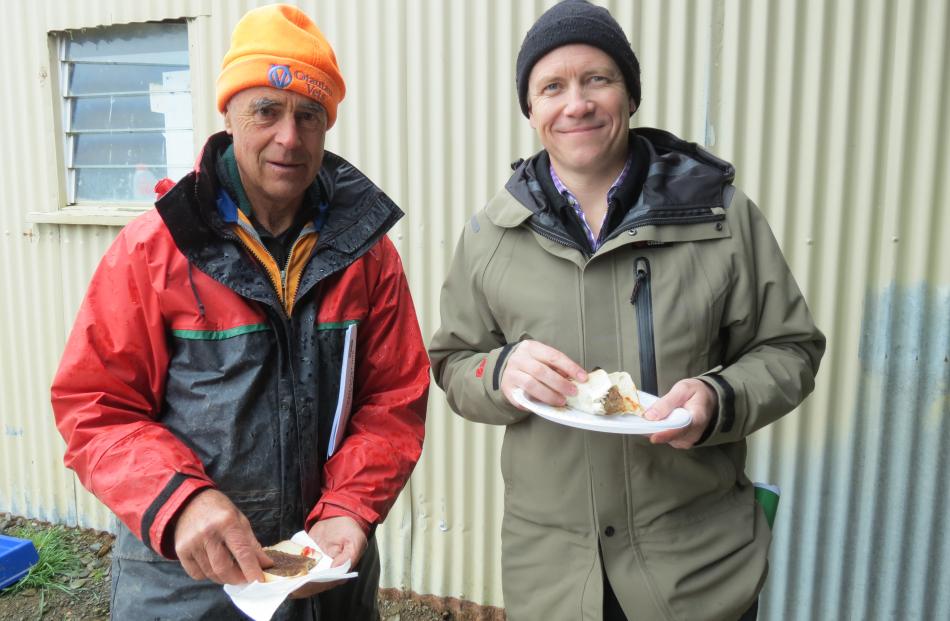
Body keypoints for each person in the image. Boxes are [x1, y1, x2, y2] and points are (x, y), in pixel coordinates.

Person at [429, 1, 825, 619]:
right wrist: (499, 372)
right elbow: (455, 361)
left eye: (598, 79)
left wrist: (719, 398)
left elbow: (791, 348)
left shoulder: (720, 217)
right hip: (557, 580)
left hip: (696, 572)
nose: (576, 103)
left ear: (629, 95)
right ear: (530, 110)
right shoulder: (490, 235)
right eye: (552, 86)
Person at [51, 5, 429, 619]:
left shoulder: (368, 255)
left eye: (310, 115)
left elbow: (392, 402)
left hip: (326, 575)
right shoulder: (155, 250)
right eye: (267, 110)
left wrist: (348, 509)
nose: (289, 136)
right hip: (184, 583)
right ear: (228, 113)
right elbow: (95, 409)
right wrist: (181, 501)